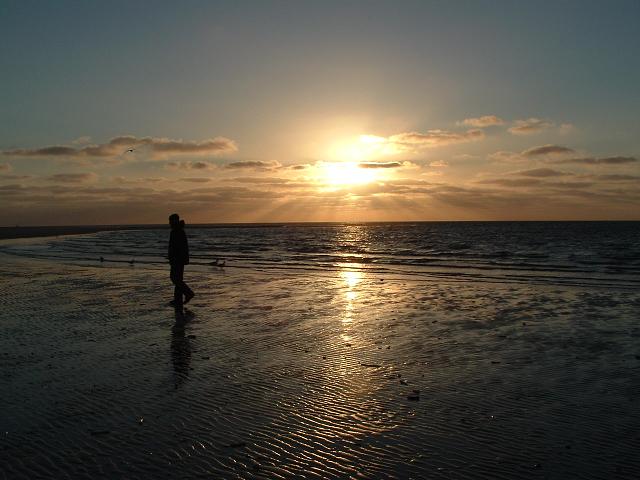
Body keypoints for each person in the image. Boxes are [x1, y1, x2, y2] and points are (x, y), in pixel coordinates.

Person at [168, 213, 195, 307]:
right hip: (178, 259)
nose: (169, 223)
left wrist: (174, 258)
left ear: (175, 221)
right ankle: (178, 300)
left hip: (177, 259)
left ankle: (188, 293)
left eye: (171, 221)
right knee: (177, 279)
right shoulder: (177, 231)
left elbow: (179, 247)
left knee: (175, 279)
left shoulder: (177, 231)